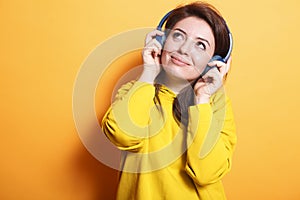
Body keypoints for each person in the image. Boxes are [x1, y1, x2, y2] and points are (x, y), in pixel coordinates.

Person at [101, 1, 237, 199]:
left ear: (215, 60)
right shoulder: (135, 90)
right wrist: (149, 72)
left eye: (200, 45)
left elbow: (206, 172)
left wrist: (202, 100)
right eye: (178, 35)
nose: (183, 49)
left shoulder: (215, 105)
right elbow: (122, 136)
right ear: (163, 40)